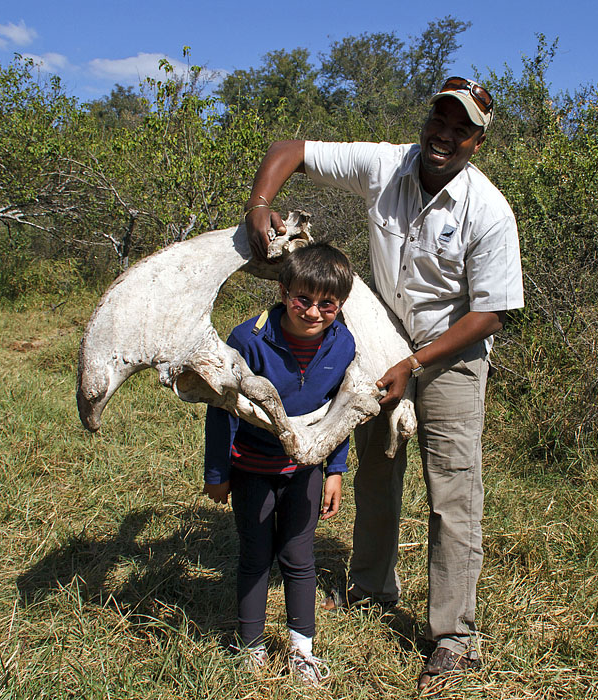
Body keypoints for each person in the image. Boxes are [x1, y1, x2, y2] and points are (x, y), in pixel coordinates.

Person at [242, 77, 524, 691]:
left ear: (478, 140)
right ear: (427, 121)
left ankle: (453, 636)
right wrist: (262, 205)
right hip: (380, 346)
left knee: (452, 489)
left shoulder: (488, 211)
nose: (444, 136)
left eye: (461, 129)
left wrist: (415, 364)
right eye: (439, 121)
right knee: (375, 468)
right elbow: (291, 149)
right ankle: (370, 587)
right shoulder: (386, 164)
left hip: (453, 353)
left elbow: (493, 313)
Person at [202, 242, 355, 686]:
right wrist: (218, 473)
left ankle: (301, 649)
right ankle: (250, 648)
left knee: (299, 556)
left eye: (327, 304)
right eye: (302, 299)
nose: (312, 312)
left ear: (340, 304)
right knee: (255, 555)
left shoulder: (342, 343)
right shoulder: (247, 339)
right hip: (251, 468)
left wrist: (335, 470)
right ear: (283, 289)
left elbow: (342, 411)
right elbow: (222, 408)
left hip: (305, 470)